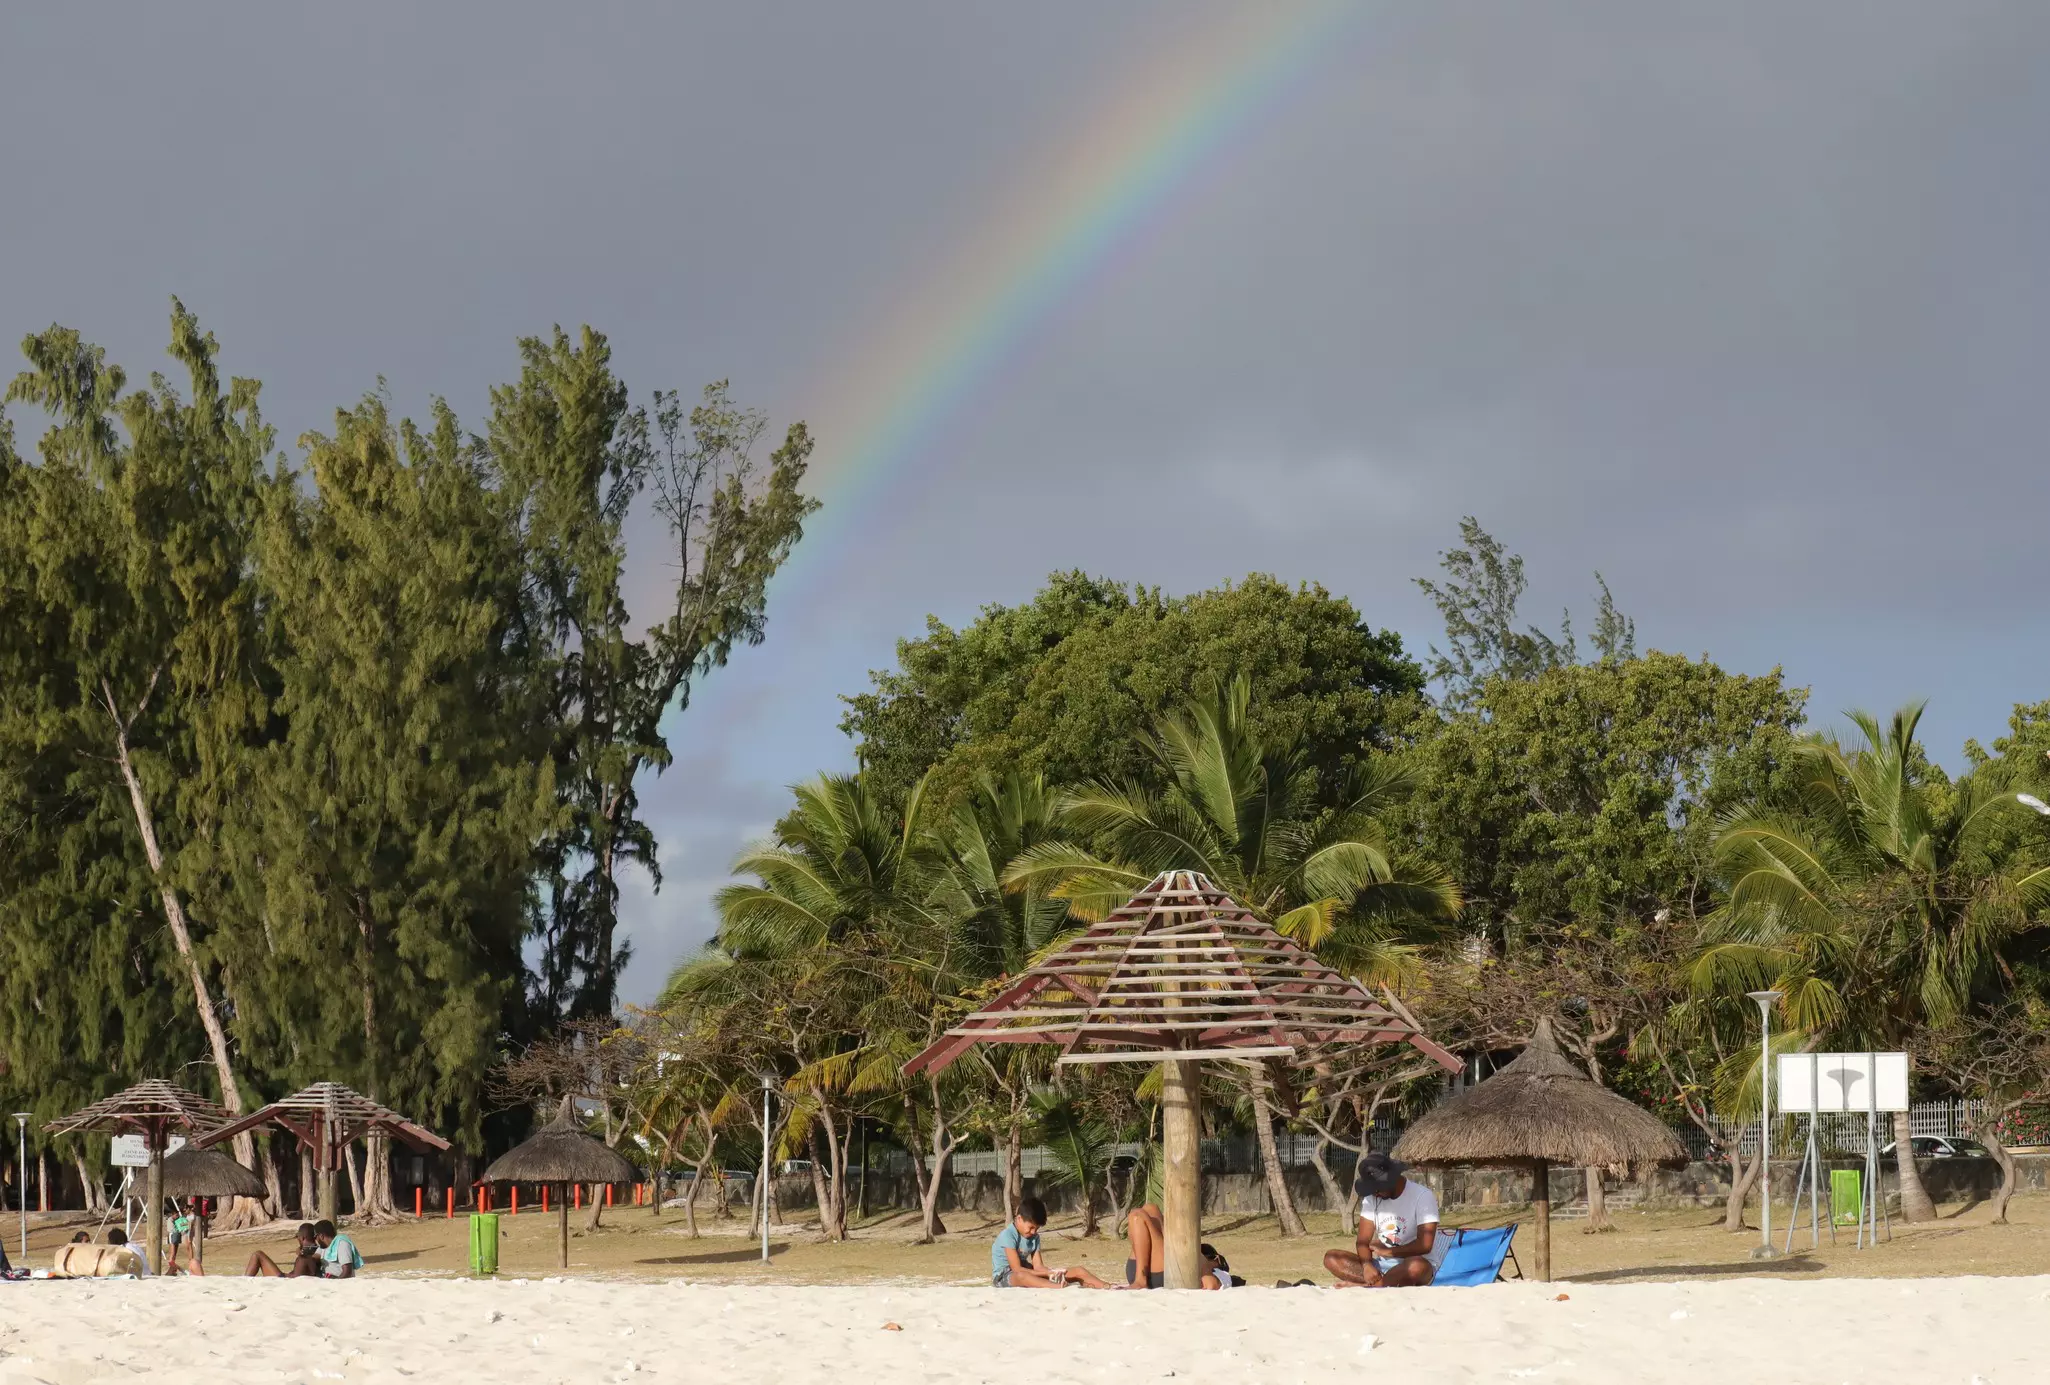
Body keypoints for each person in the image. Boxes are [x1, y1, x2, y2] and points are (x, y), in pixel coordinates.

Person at [1324, 1152, 1446, 1288]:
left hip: (1415, 1264)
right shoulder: (1372, 1197)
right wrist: (1367, 1265)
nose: (1375, 1193)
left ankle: (1367, 1287)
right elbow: (1362, 1241)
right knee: (1332, 1258)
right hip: (1381, 1267)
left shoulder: (1422, 1196)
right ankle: (1379, 1284)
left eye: (1377, 1188)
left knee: (1416, 1267)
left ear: (1391, 1180)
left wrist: (1389, 1252)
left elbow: (1425, 1245)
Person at [991, 1198, 1114, 1289]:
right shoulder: (1008, 1235)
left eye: (1037, 1229)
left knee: (1078, 1270)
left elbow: (1038, 1266)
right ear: (1019, 1219)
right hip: (1006, 1276)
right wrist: (1046, 1273)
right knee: (1022, 1276)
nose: (1033, 1231)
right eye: (1031, 1227)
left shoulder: (1034, 1237)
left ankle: (1107, 1286)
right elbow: (1016, 1269)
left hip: (1028, 1271)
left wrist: (1053, 1272)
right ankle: (1057, 1287)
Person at [244, 1223, 323, 1278]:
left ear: (302, 1238)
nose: (297, 1239)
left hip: (284, 1281)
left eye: (297, 1237)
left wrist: (286, 1275)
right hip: (289, 1279)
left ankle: (244, 1282)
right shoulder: (317, 1250)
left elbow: (297, 1278)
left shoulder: (304, 1257)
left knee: (257, 1255)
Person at [1123, 1202, 1163, 1288]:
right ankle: (1140, 1279)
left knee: (1142, 1212)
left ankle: (1141, 1279)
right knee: (1148, 1208)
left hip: (1153, 1272)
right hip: (1158, 1273)